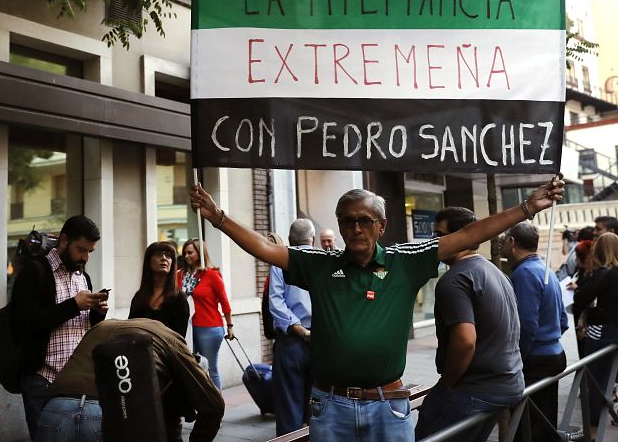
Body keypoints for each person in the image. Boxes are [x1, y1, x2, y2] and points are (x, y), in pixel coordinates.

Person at [189, 177, 564, 441]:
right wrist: (217, 216)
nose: (355, 228)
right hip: (330, 405)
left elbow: (468, 235)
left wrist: (527, 207)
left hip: (388, 407)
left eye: (364, 220)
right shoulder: (320, 265)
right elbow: (264, 248)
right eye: (347, 221)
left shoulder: (405, 262)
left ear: (381, 226)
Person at [414, 207, 524, 442]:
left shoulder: (454, 280)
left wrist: (446, 384)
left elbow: (465, 341)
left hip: (475, 389)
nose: (434, 241)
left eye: (438, 234)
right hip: (508, 383)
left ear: (460, 236)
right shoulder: (496, 273)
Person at [36, 318, 224, 442]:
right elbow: (214, 405)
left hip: (54, 411)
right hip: (105, 416)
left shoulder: (101, 327)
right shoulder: (171, 339)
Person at [10, 215, 109, 439]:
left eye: (90, 252)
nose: (85, 257)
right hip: (42, 379)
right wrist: (73, 305)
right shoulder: (35, 272)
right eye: (81, 249)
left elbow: (85, 328)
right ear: (64, 240)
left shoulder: (84, 277)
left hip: (78, 382)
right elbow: (25, 324)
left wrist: (97, 313)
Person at [503, 222, 568, 442]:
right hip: (553, 354)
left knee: (528, 426)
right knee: (544, 421)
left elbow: (525, 325)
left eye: (504, 240)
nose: (502, 245)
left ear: (512, 243)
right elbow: (563, 320)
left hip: (536, 360)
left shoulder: (524, 274)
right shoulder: (545, 269)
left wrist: (516, 360)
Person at [269, 218, 316, 436]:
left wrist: (298, 329)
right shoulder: (323, 260)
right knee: (319, 406)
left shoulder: (281, 261)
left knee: (289, 409)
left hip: (291, 342)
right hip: (321, 341)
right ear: (312, 239)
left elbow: (276, 302)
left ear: (289, 239)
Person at [572, 233, 618, 434]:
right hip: (613, 331)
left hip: (602, 332)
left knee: (595, 383)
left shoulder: (605, 273)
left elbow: (580, 297)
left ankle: (591, 431)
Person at [177, 238, 233, 388]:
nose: (187, 256)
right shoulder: (180, 275)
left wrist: (230, 325)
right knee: (191, 369)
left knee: (210, 368)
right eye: (185, 253)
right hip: (187, 327)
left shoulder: (212, 275)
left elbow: (224, 301)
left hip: (208, 327)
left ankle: (216, 406)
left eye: (190, 252)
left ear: (200, 253)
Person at [129, 241, 190, 338]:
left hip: (167, 351)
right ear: (149, 261)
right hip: (140, 350)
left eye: (169, 256)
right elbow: (130, 329)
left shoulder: (179, 299)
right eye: (159, 255)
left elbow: (179, 338)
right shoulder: (139, 297)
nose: (164, 258)